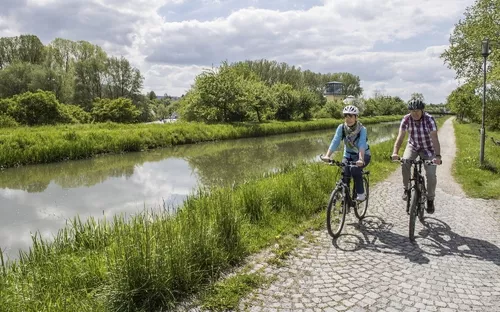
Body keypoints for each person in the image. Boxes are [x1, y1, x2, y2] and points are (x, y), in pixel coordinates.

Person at [391, 99, 442, 214]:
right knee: (405, 162)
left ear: (422, 110)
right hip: (413, 146)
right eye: (412, 111)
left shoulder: (429, 119)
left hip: (428, 148)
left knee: (430, 174)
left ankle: (430, 199)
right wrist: (395, 152)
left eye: (417, 110)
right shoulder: (406, 119)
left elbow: (434, 138)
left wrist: (437, 156)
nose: (415, 113)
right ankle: (406, 188)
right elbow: (400, 137)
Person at [320, 105, 370, 201]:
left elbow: (362, 144)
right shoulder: (342, 128)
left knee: (355, 169)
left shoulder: (362, 129)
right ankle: (345, 197)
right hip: (348, 155)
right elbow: (335, 141)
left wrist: (360, 159)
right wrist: (327, 155)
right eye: (346, 116)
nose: (348, 119)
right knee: (344, 173)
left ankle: (361, 193)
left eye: (351, 116)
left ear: (356, 117)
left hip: (363, 155)